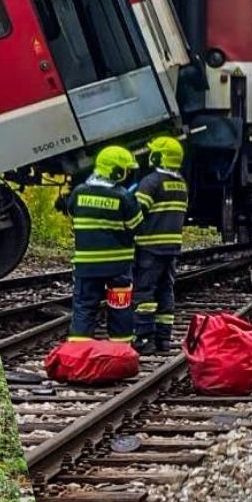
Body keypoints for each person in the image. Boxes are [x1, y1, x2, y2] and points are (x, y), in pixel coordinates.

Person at [58, 146, 144, 344]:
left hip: (86, 266)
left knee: (84, 308)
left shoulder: (79, 193)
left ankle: (78, 351)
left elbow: (72, 214)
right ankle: (121, 350)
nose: (128, 173)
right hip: (118, 267)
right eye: (126, 169)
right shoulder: (123, 197)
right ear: (116, 171)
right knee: (120, 308)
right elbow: (137, 228)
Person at [131, 136, 189, 354]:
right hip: (172, 248)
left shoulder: (151, 182)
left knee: (144, 293)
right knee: (166, 291)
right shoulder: (181, 183)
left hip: (149, 248)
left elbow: (136, 213)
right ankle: (163, 339)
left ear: (159, 157)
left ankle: (144, 339)